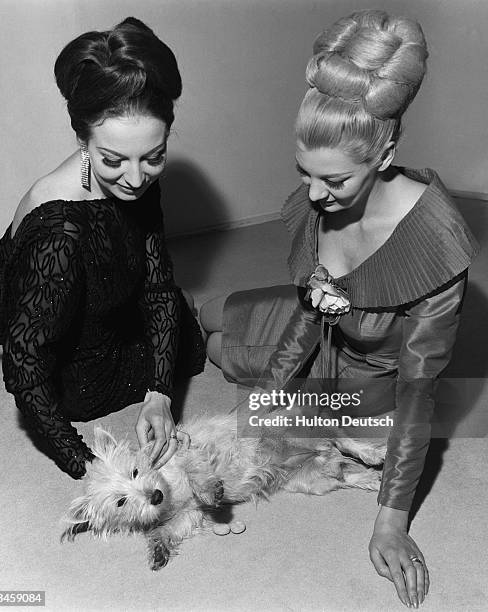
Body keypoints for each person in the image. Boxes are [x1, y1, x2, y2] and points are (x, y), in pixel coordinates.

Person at [200, 10, 477, 609]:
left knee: (216, 351)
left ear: (385, 153)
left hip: (372, 379)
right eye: (305, 173)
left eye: (334, 181)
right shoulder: (320, 198)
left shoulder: (436, 242)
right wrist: (270, 395)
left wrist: (391, 522)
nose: (315, 196)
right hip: (326, 330)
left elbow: (418, 391)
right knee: (209, 311)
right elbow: (309, 307)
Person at [0, 17, 205, 479]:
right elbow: (28, 365)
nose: (137, 177)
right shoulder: (58, 231)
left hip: (110, 303)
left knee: (183, 332)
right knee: (189, 343)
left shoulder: (135, 176)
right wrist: (85, 464)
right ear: (83, 140)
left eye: (154, 156)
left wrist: (160, 395)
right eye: (113, 160)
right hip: (77, 365)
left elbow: (158, 284)